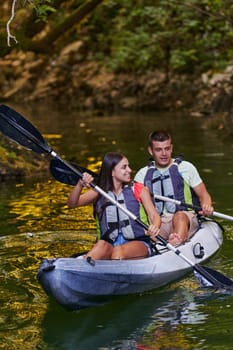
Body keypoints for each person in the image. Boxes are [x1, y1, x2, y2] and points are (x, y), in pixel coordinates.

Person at [67, 152, 161, 260]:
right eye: (124, 167)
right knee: (101, 244)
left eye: (128, 166)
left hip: (138, 243)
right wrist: (80, 184)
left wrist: (155, 226)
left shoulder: (138, 189)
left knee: (118, 251)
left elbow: (154, 216)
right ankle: (83, 266)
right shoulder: (99, 192)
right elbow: (72, 203)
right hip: (109, 244)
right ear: (112, 172)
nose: (129, 170)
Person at [134, 130, 214, 246]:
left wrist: (207, 206)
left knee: (179, 216)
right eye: (158, 150)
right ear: (150, 151)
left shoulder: (187, 168)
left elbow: (203, 195)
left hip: (184, 218)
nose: (164, 153)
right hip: (157, 222)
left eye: (167, 148)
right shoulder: (142, 175)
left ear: (171, 148)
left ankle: (176, 242)